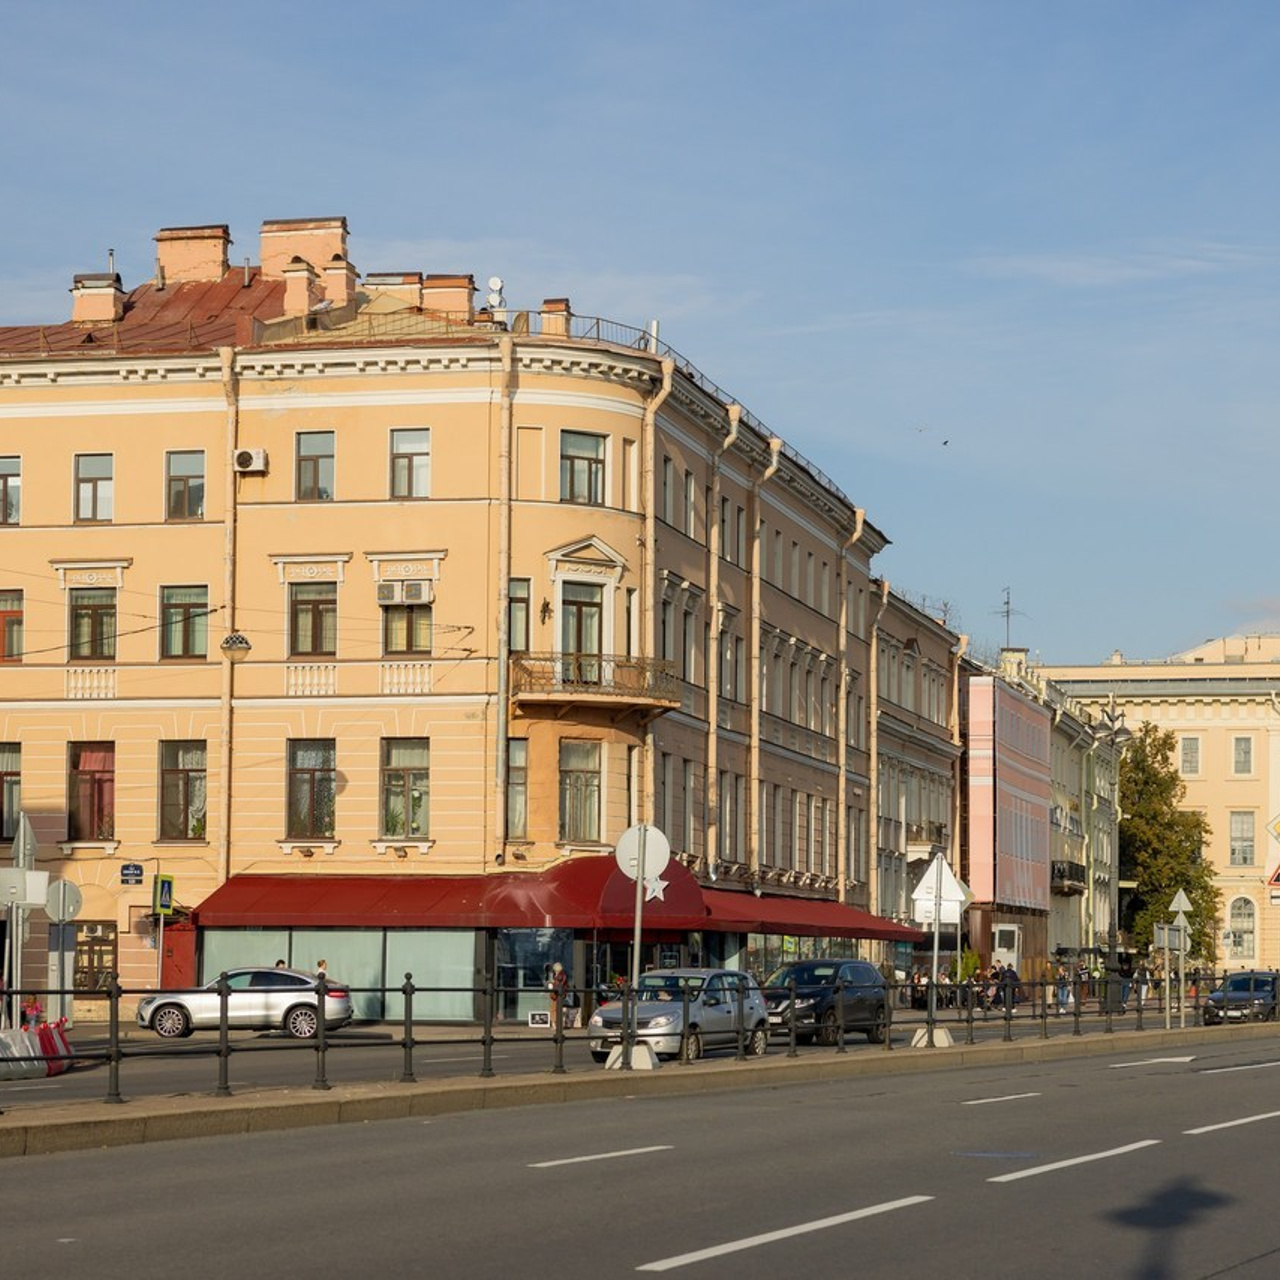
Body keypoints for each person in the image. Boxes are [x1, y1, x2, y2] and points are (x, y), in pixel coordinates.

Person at [547, 961, 569, 1028]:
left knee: (554, 1009)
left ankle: (555, 1024)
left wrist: (552, 983)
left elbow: (558, 984)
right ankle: (557, 1024)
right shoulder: (562, 975)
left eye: (554, 969)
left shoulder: (560, 975)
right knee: (557, 1009)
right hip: (559, 994)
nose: (554, 971)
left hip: (557, 994)